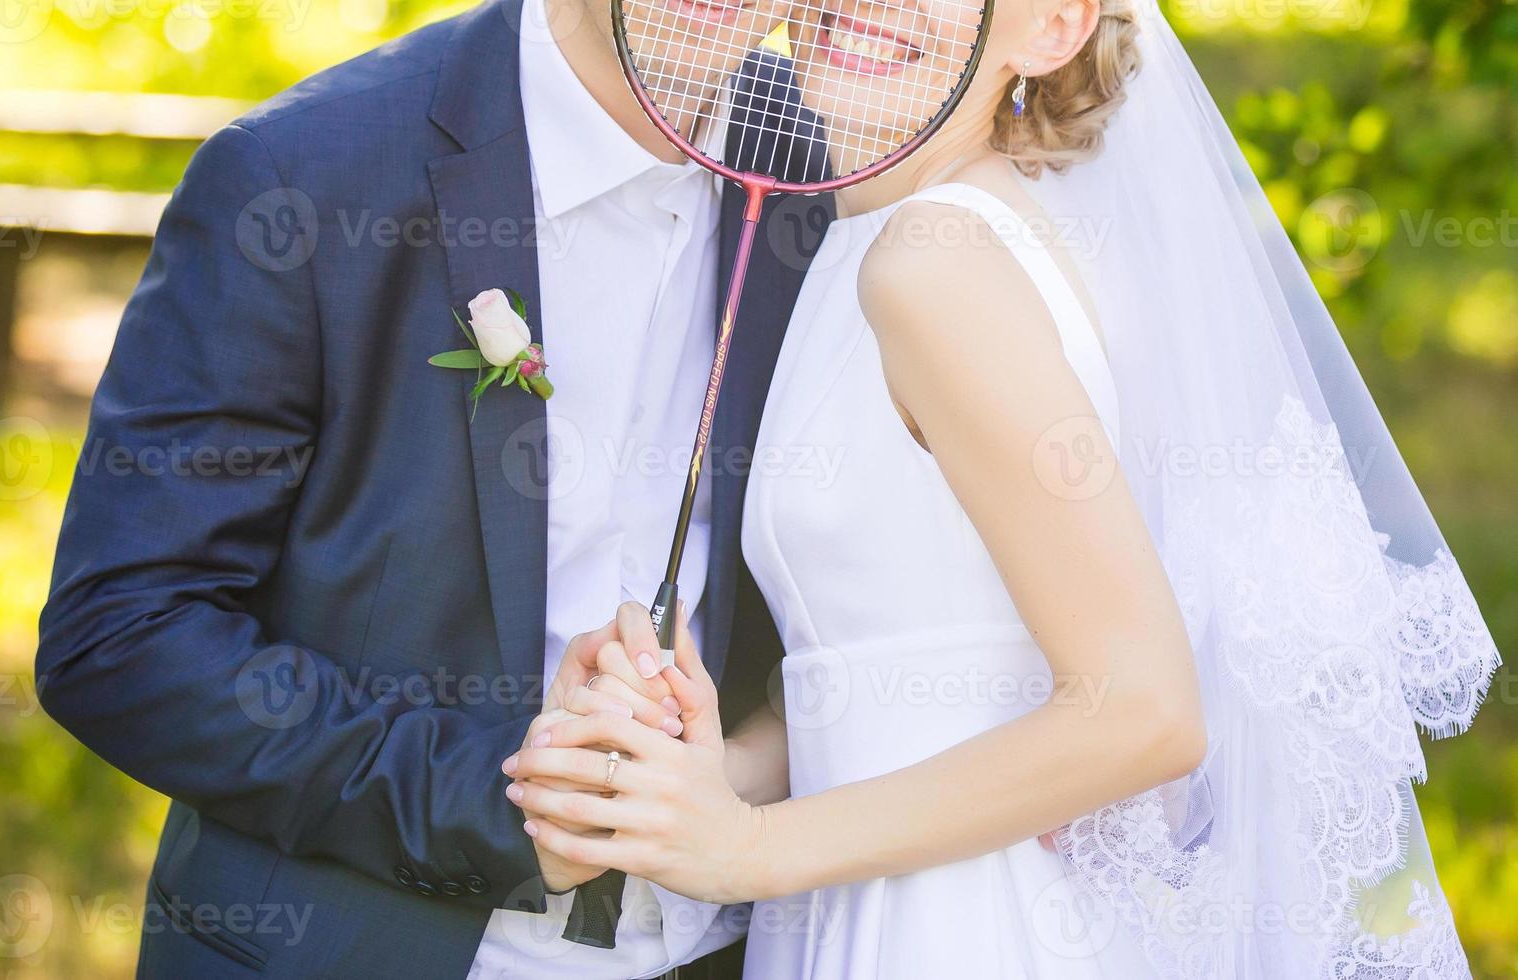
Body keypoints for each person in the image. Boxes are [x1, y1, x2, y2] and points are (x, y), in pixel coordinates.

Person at [504, 0, 1498, 975]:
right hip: (890, 886)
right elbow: (909, 683)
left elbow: (1143, 710)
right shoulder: (903, 233)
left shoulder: (931, 266)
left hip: (962, 925)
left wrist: (743, 851)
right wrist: (699, 780)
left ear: (1052, 28)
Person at [33, 0, 829, 974]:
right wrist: (495, 808)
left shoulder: (843, 172)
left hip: (740, 943)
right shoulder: (302, 176)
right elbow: (123, 633)